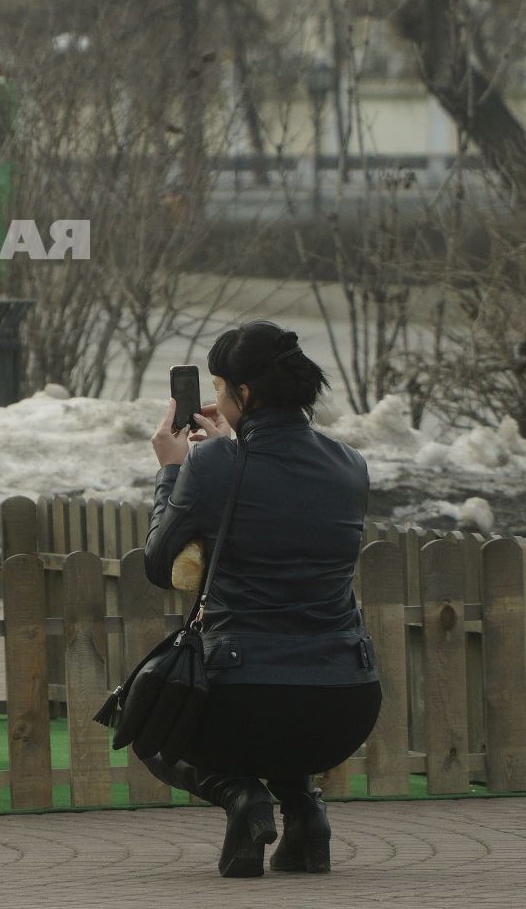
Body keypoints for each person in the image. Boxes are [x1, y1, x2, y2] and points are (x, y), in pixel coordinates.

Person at [142, 321, 381, 878]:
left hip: (245, 699)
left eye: (222, 389)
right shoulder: (351, 464)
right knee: (287, 717)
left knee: (151, 719)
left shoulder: (212, 464)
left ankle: (240, 796)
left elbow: (159, 565)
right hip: (345, 704)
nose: (217, 401)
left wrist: (173, 471)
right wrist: (233, 443)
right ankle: (304, 812)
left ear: (243, 395)